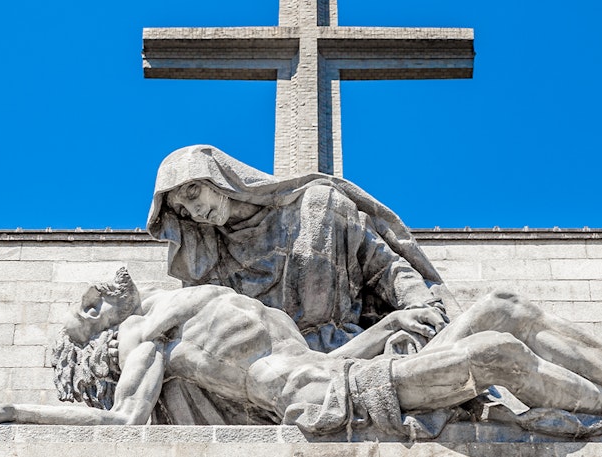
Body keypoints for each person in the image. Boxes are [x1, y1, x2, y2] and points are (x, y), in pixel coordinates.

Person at [0, 269, 602, 438]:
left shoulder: (188, 298)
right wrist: (11, 410)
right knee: (492, 348)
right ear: (99, 338)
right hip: (334, 406)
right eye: (86, 308)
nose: (99, 287)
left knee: (501, 306)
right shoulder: (149, 335)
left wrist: (376, 335)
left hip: (347, 372)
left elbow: (312, 355)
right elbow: (121, 423)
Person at [147, 145, 448, 354]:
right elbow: (192, 323)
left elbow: (384, 267)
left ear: (219, 176)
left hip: (344, 347)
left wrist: (421, 305)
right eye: (183, 211)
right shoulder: (209, 259)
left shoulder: (318, 205)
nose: (195, 211)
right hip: (268, 367)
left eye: (193, 192)